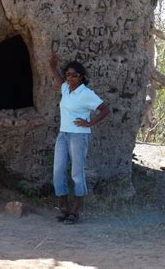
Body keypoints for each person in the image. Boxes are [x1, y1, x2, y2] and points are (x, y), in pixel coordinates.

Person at [49, 53, 109, 224]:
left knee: (77, 172)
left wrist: (89, 123)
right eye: (68, 74)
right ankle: (64, 207)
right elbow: (59, 80)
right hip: (63, 134)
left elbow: (104, 110)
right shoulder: (65, 89)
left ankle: (75, 210)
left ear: (81, 77)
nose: (70, 77)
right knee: (58, 171)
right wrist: (52, 66)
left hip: (78, 136)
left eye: (74, 75)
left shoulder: (86, 94)